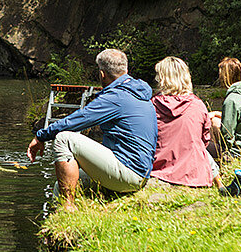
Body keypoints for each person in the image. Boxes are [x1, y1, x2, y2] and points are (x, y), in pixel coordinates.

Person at [26, 49, 158, 211]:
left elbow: (76, 120)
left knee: (64, 139)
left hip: (128, 173)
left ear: (102, 74)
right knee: (59, 186)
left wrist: (41, 136)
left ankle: (68, 207)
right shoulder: (139, 93)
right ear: (125, 70)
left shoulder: (115, 97)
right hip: (140, 172)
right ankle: (59, 219)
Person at [151, 57, 223, 188]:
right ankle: (219, 182)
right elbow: (205, 140)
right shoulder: (198, 104)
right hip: (195, 173)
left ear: (162, 79)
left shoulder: (153, 105)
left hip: (161, 169)